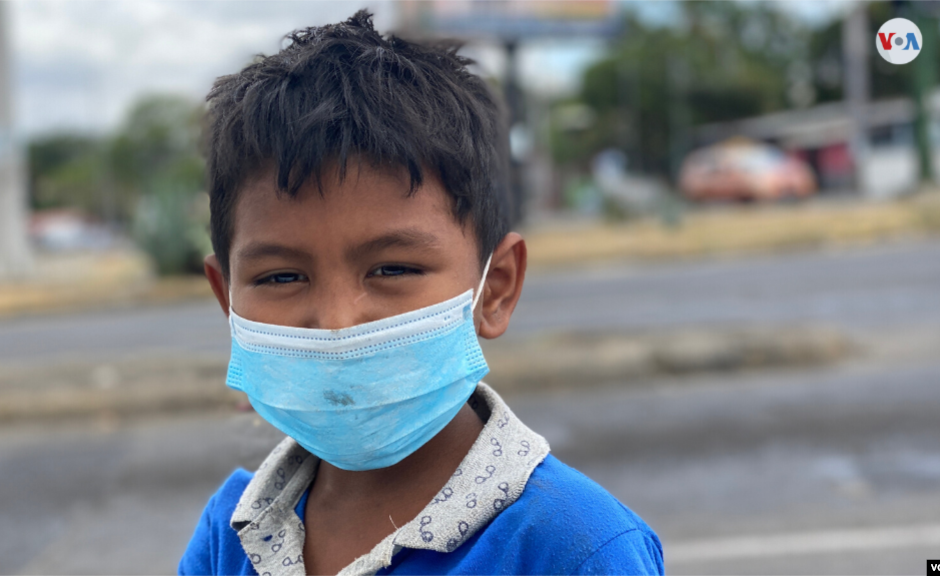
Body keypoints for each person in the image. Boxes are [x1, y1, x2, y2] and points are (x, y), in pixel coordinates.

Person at [180, 11, 663, 576]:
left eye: (391, 269)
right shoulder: (229, 534)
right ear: (227, 299)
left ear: (495, 289)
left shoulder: (574, 547)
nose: (338, 324)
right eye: (282, 277)